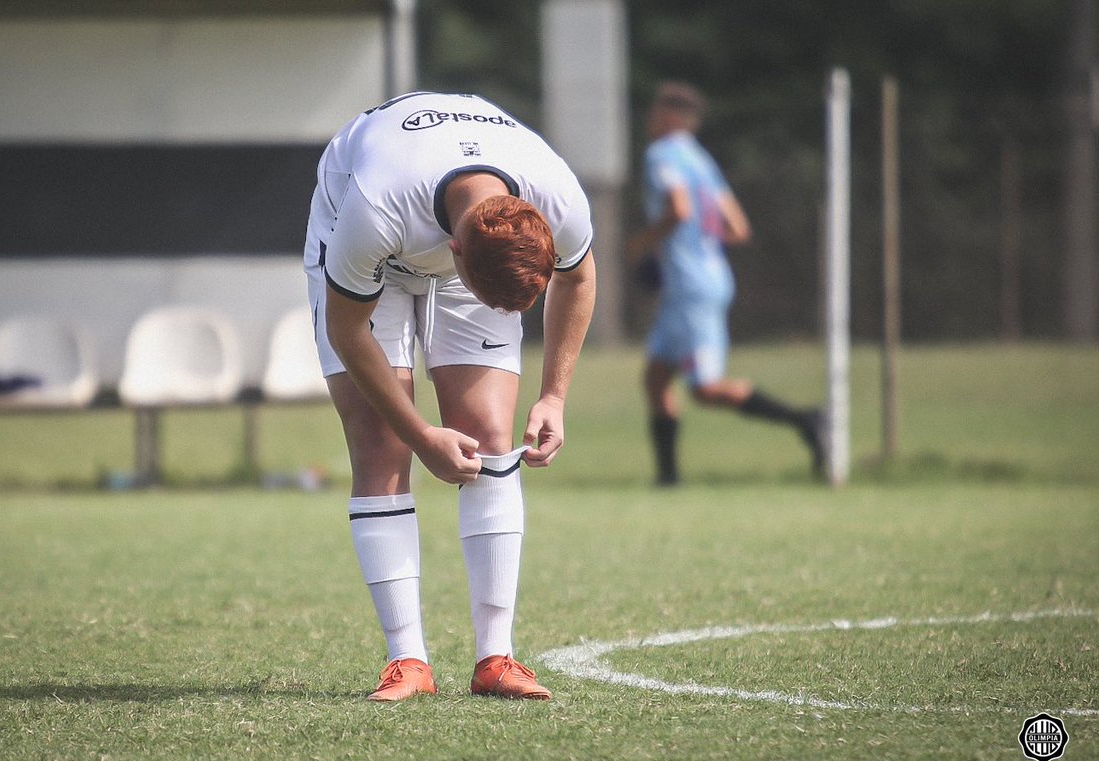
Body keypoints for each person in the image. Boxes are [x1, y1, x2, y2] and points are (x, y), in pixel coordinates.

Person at [304, 92, 596, 701]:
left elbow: (581, 276)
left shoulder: (557, 196)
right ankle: (407, 660)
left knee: (492, 438)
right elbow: (346, 329)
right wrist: (419, 434)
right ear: (455, 254)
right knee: (382, 446)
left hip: (457, 244)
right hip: (371, 255)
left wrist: (554, 395)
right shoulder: (376, 208)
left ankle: (497, 659)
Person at [628, 81, 825, 486]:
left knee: (706, 388)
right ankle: (668, 478)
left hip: (689, 286)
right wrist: (701, 244)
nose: (649, 121)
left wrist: (646, 242)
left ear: (669, 117)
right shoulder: (702, 161)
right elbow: (738, 227)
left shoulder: (661, 154)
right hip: (705, 277)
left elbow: (679, 209)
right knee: (656, 378)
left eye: (654, 112)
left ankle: (807, 420)